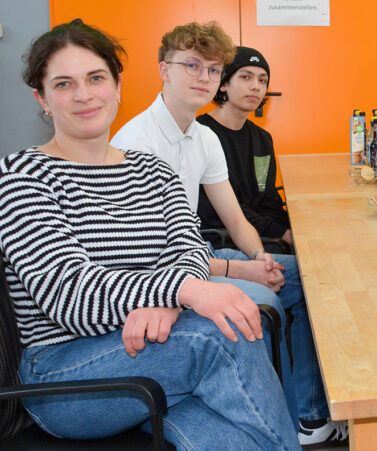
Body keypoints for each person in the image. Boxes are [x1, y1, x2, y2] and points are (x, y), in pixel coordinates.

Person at [1, 19, 298, 449]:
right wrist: (181, 292)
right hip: (64, 372)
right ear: (42, 98)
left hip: (156, 350)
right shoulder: (22, 176)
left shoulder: (151, 169)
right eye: (64, 84)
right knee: (223, 332)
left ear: (117, 85)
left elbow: (190, 246)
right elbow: (69, 295)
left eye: (95, 78)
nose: (84, 95)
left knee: (219, 429)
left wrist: (171, 303)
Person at [110, 22, 344, 445]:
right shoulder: (135, 142)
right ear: (163, 69)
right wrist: (244, 273)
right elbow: (151, 256)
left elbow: (237, 219)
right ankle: (290, 421)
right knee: (260, 305)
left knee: (309, 277)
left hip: (197, 257)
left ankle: (305, 418)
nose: (204, 78)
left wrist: (259, 259)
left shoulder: (202, 138)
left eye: (213, 69)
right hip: (167, 277)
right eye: (192, 66)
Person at [196, 46, 291, 244]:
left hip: (260, 233)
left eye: (262, 80)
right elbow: (221, 209)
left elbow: (267, 195)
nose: (256, 86)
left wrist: (292, 230)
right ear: (223, 84)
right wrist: (281, 234)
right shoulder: (198, 135)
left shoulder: (262, 139)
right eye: (246, 77)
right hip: (220, 239)